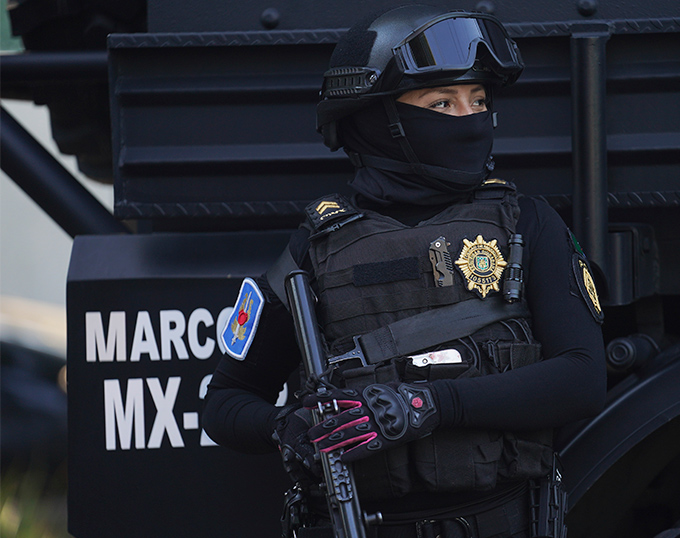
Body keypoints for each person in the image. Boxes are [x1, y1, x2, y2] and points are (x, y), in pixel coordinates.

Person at [203, 5, 606, 537]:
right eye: (442, 102)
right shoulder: (314, 251)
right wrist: (287, 427)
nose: (469, 118)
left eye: (478, 100)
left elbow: (582, 377)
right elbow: (225, 402)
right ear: (374, 118)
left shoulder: (526, 224)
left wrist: (428, 405)